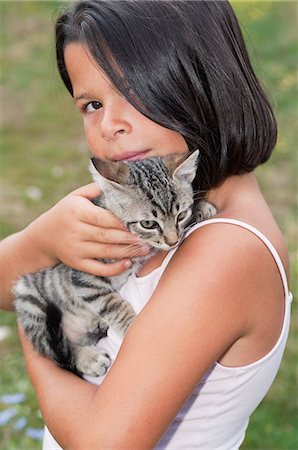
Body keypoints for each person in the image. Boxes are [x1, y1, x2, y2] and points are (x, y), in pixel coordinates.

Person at [0, 1, 292, 448]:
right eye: (92, 104)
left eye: (132, 92)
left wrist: (36, 318)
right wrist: (43, 240)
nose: (110, 125)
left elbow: (103, 443)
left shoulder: (226, 253)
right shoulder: (149, 200)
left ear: (202, 82)